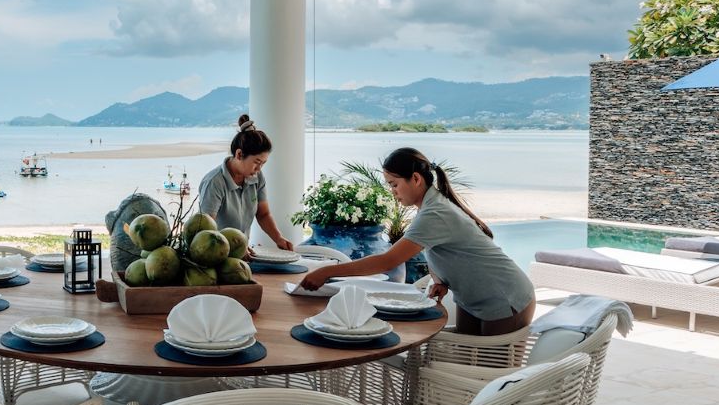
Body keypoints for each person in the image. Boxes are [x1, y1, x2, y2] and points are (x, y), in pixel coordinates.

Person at [298, 147, 535, 336]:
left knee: (494, 380)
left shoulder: (435, 213)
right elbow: (443, 249)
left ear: (415, 179)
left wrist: (327, 272)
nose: (392, 191)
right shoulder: (432, 207)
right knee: (471, 367)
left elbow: (387, 261)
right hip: (475, 298)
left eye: (394, 184)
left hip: (506, 297)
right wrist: (440, 279)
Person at [192, 116, 292, 253]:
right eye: (257, 162)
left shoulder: (257, 177)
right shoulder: (214, 182)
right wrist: (234, 248)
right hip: (214, 254)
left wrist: (279, 238)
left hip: (241, 252)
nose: (259, 169)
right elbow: (206, 232)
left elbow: (263, 214)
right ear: (239, 154)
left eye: (263, 163)